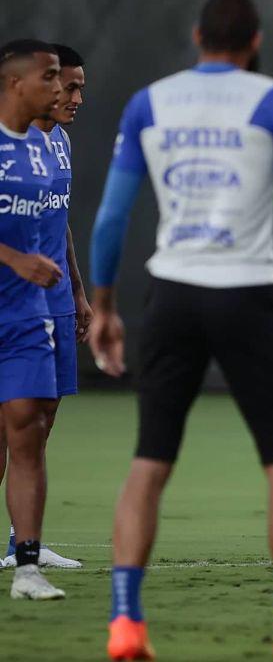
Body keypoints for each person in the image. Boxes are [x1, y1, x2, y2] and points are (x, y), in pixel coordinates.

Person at [88, 0, 273, 661]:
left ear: (197, 37)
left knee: (148, 461)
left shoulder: (149, 103)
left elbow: (110, 218)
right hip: (246, 295)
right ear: (256, 41)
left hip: (171, 295)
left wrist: (103, 306)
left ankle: (125, 622)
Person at [1, 42, 92, 570]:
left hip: (53, 297)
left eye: (77, 87)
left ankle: (23, 542)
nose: (73, 96)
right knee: (8, 423)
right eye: (65, 85)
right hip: (12, 299)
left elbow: (60, 220)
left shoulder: (58, 142)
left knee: (42, 417)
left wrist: (76, 290)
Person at [0, 38, 67, 600]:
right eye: (49, 77)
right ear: (15, 83)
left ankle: (26, 568)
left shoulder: (46, 149)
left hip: (26, 316)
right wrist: (14, 259)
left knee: (29, 429)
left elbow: (50, 230)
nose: (59, 88)